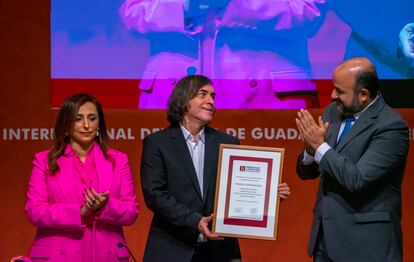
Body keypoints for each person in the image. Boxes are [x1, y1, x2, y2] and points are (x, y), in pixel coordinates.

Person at [140, 75, 290, 261]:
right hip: (173, 247)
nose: (210, 101)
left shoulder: (228, 143)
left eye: (213, 96)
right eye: (203, 94)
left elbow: (238, 192)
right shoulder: (157, 143)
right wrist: (195, 221)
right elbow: (155, 195)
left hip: (220, 250)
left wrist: (267, 196)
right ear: (183, 99)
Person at [295, 57, 409, 261]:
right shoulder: (334, 111)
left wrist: (319, 146)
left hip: (366, 246)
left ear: (363, 95)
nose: (332, 95)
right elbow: (307, 172)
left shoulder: (391, 127)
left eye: (339, 91)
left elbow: (356, 179)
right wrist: (310, 151)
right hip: (325, 242)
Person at [119, 0, 327, 109]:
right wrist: (186, 5)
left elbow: (309, 12)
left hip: (267, 96)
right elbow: (133, 13)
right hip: (173, 92)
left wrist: (234, 5)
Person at [25, 94, 139, 261]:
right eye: (78, 119)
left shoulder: (119, 160)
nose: (86, 125)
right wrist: (80, 212)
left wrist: (105, 207)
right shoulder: (43, 160)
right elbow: (34, 210)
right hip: (59, 255)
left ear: (99, 123)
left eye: (92, 118)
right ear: (66, 123)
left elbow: (131, 211)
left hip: (106, 254)